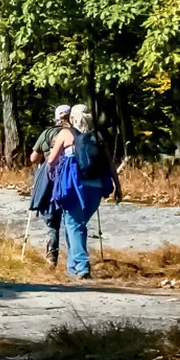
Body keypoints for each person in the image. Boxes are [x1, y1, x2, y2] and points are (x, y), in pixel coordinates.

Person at [46, 104, 122, 279]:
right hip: (95, 188)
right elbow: (110, 164)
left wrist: (51, 172)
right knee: (76, 225)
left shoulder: (65, 134)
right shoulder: (98, 136)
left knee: (74, 225)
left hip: (74, 186)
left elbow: (51, 160)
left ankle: (82, 267)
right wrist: (118, 187)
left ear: (72, 118)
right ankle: (72, 269)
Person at [28, 104, 71, 267]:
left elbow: (34, 158)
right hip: (70, 177)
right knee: (71, 218)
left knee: (52, 217)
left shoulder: (47, 133)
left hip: (51, 178)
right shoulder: (76, 133)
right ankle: (73, 258)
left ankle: (51, 255)